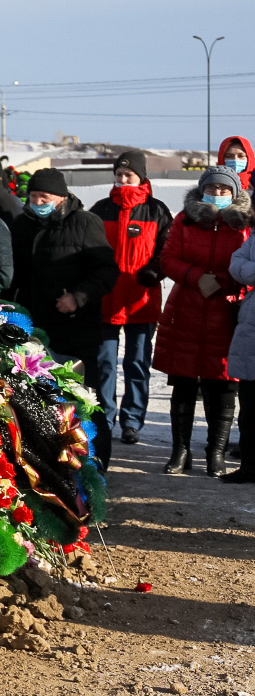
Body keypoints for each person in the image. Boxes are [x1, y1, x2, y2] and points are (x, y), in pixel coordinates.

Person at [10, 168, 119, 464]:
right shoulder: (23, 225)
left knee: (81, 401)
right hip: (34, 332)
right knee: (41, 404)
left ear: (60, 197)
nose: (37, 202)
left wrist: (78, 297)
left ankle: (95, 464)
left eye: (43, 197)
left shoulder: (85, 223)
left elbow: (107, 271)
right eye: (32, 196)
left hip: (76, 331)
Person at [151, 167, 251, 476]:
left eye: (224, 189)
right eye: (213, 188)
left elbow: (248, 265)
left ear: (234, 194)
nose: (218, 194)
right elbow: (168, 259)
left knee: (220, 386)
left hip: (226, 312)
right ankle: (180, 450)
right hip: (186, 310)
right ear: (202, 189)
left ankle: (215, 452)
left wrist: (222, 281)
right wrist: (196, 277)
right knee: (182, 384)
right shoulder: (185, 219)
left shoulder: (244, 226)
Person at [88, 150, 173, 450]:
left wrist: (154, 271)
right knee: (104, 364)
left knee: (137, 363)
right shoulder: (100, 209)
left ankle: (133, 421)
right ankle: (105, 419)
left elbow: (169, 250)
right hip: (107, 298)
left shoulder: (157, 210)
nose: (123, 180)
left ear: (141, 177)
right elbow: (89, 249)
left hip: (141, 299)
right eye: (119, 175)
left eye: (129, 175)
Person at [222, 224, 255, 482]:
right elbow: (237, 262)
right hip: (251, 327)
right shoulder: (253, 237)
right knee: (250, 405)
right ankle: (250, 465)